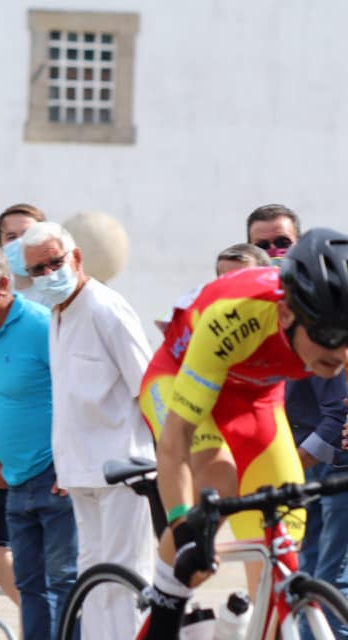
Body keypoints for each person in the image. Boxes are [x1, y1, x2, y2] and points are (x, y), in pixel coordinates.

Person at [138, 228, 348, 639]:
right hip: (179, 381)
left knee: (285, 535)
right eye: (329, 337)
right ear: (286, 314)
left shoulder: (335, 327)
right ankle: (164, 607)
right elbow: (176, 437)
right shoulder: (237, 316)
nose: (340, 353)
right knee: (218, 482)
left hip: (255, 398)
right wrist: (182, 526)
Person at [21, 221, 155, 640]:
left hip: (126, 474)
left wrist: (170, 463)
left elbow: (150, 389)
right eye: (37, 269)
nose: (47, 274)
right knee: (92, 582)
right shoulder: (58, 315)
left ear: (76, 258)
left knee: (126, 581)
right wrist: (66, 464)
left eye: (54, 263)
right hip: (81, 475)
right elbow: (71, 399)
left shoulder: (106, 308)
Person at [0, 242, 76, 640]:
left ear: (2, 283)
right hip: (12, 480)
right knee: (29, 586)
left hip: (55, 475)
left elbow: (75, 391)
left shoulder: (41, 325)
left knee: (64, 582)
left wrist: (71, 460)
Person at [242, 209, 348, 635]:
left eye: (281, 243)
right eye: (263, 245)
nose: (273, 253)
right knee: (306, 578)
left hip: (330, 465)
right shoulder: (265, 315)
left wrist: (292, 465)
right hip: (304, 464)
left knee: (329, 583)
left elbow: (337, 410)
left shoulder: (325, 307)